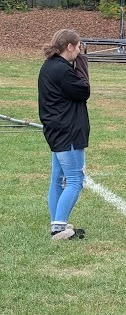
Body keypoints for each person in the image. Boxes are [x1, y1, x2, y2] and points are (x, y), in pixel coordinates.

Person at [38, 29, 90, 240]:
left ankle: (57, 222)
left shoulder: (50, 66)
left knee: (58, 178)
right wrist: (83, 61)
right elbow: (84, 90)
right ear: (69, 46)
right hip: (67, 131)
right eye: (78, 47)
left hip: (57, 130)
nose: (79, 50)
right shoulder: (62, 70)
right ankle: (58, 228)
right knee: (75, 179)